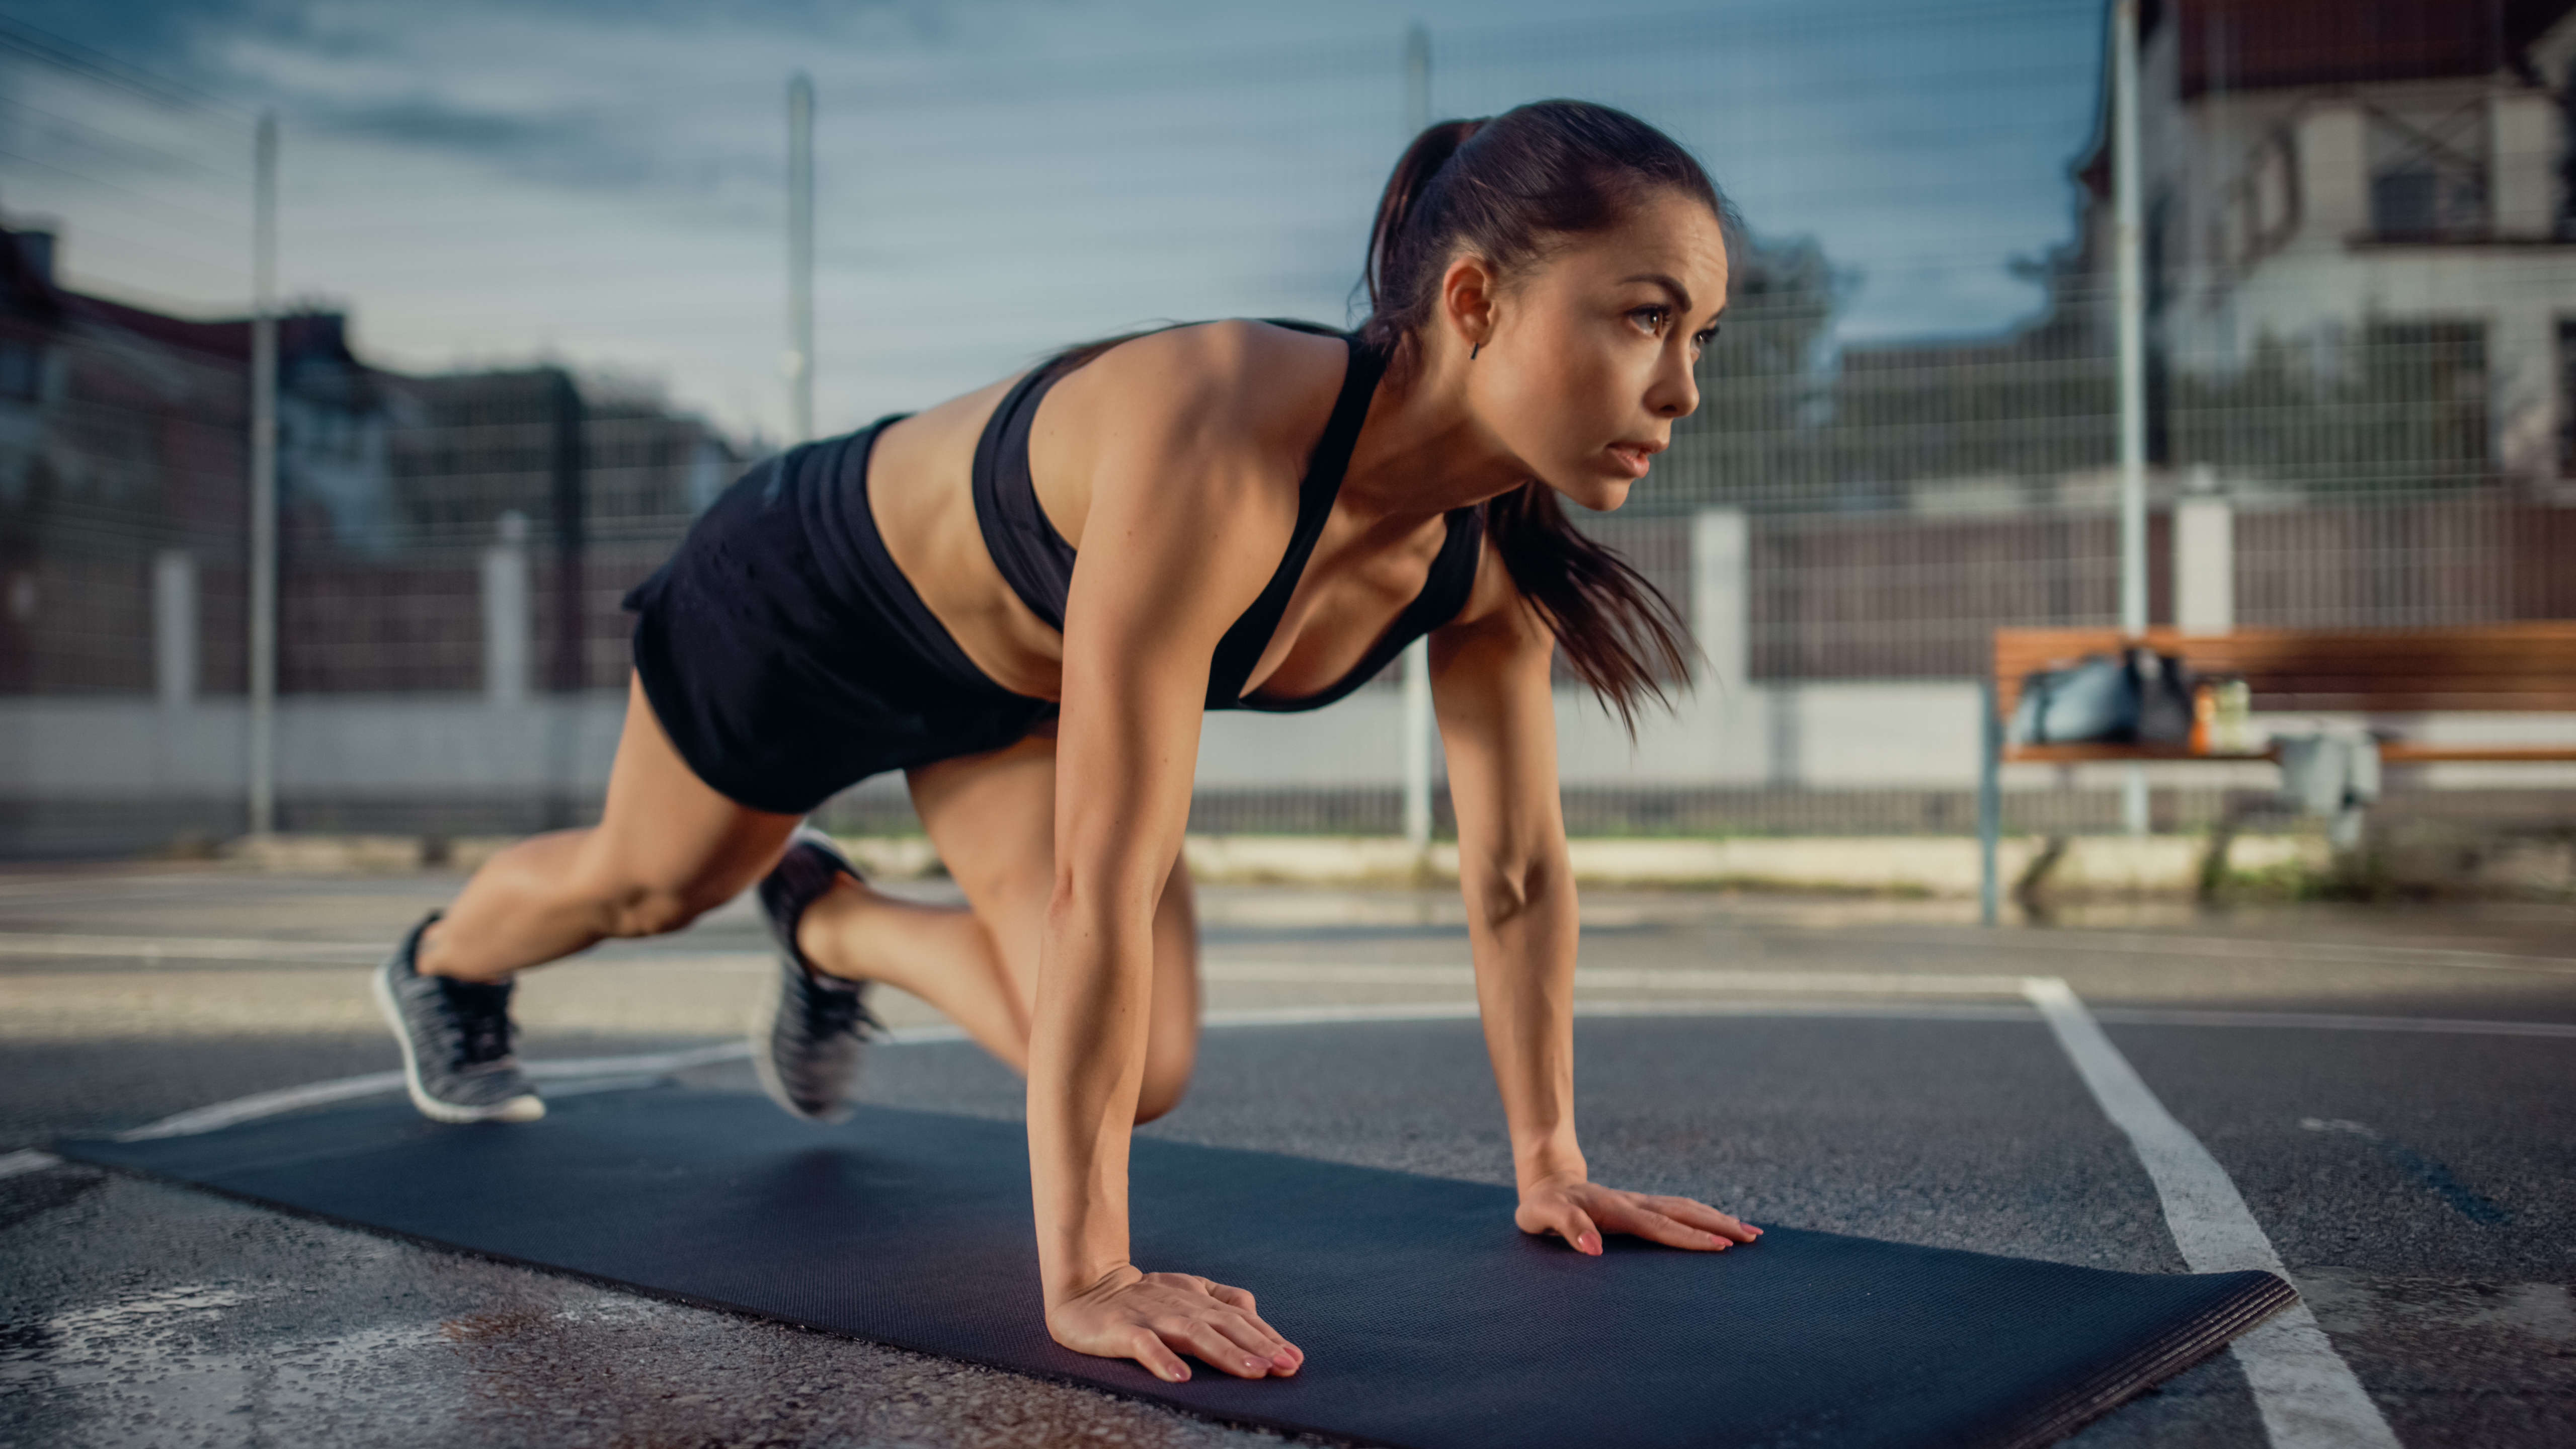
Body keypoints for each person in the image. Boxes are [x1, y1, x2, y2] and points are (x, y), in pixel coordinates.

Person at [373, 98, 1763, 1387]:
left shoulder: (1484, 570)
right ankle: (442, 965)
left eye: (1701, 336)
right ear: (1474, 298)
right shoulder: (1215, 435)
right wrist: (1090, 1272)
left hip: (1010, 692)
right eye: (1646, 319)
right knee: (649, 885)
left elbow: (1515, 874)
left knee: (1138, 1071)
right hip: (807, 603)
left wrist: (1550, 1159)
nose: (1683, 389)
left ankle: (827, 925)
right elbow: (1105, 879)